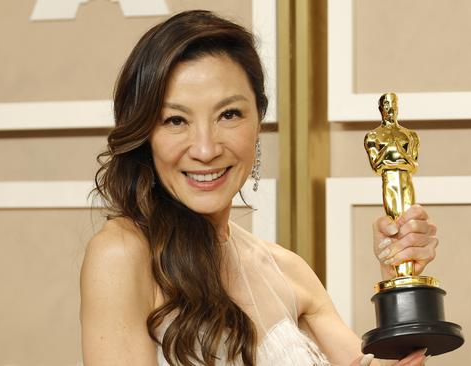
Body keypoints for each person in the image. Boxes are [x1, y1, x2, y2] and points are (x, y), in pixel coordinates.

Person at [80, 10, 438, 366]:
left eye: (229, 115)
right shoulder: (122, 255)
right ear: (146, 135)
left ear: (258, 122)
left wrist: (401, 279)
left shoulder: (287, 270)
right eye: (176, 120)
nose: (205, 149)